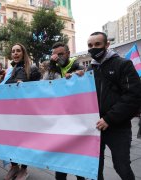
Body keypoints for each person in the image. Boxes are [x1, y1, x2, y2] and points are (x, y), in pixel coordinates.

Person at [87, 32, 141, 180]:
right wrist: (75, 79)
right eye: (90, 45)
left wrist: (109, 119)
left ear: (107, 45)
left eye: (97, 44)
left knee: (121, 166)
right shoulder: (90, 69)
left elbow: (133, 96)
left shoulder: (123, 64)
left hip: (118, 127)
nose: (93, 48)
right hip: (95, 127)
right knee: (95, 168)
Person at [0, 43, 40, 180]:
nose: (15, 53)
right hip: (10, 113)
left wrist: (26, 87)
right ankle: (14, 167)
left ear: (23, 53)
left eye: (18, 51)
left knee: (24, 142)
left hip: (25, 113)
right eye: (13, 51)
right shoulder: (10, 71)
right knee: (10, 141)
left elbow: (39, 90)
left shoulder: (32, 69)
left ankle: (23, 169)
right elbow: (5, 88)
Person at [43, 42, 85, 180]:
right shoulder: (53, 67)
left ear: (68, 53)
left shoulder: (77, 66)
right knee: (60, 160)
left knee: (79, 160)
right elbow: (44, 86)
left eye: (61, 54)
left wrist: (79, 76)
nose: (58, 57)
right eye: (55, 55)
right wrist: (52, 65)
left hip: (77, 121)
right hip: (59, 120)